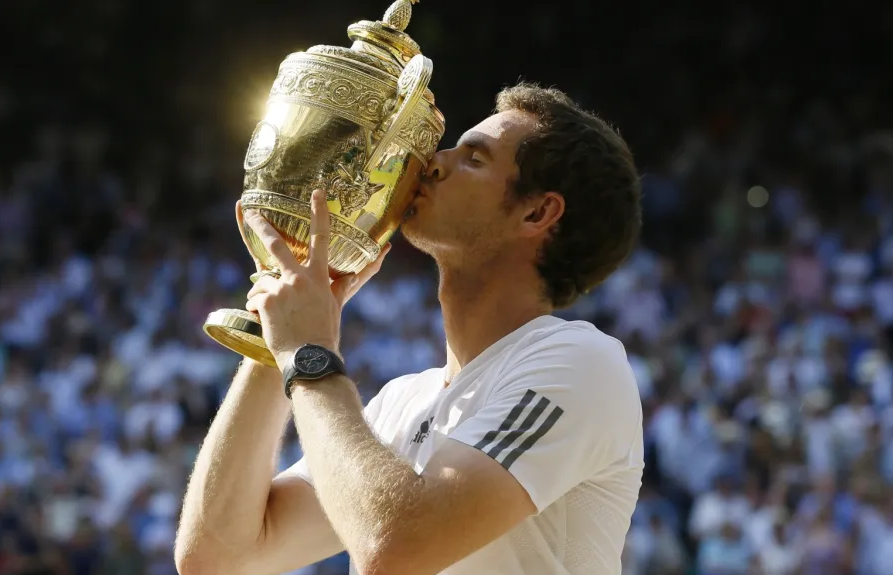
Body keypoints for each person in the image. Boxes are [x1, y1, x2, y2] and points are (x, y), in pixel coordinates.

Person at [174, 83, 645, 575]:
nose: (433, 162)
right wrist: (274, 342)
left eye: (475, 157)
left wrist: (307, 352)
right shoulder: (403, 402)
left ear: (538, 212)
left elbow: (395, 549)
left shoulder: (582, 362)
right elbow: (214, 558)